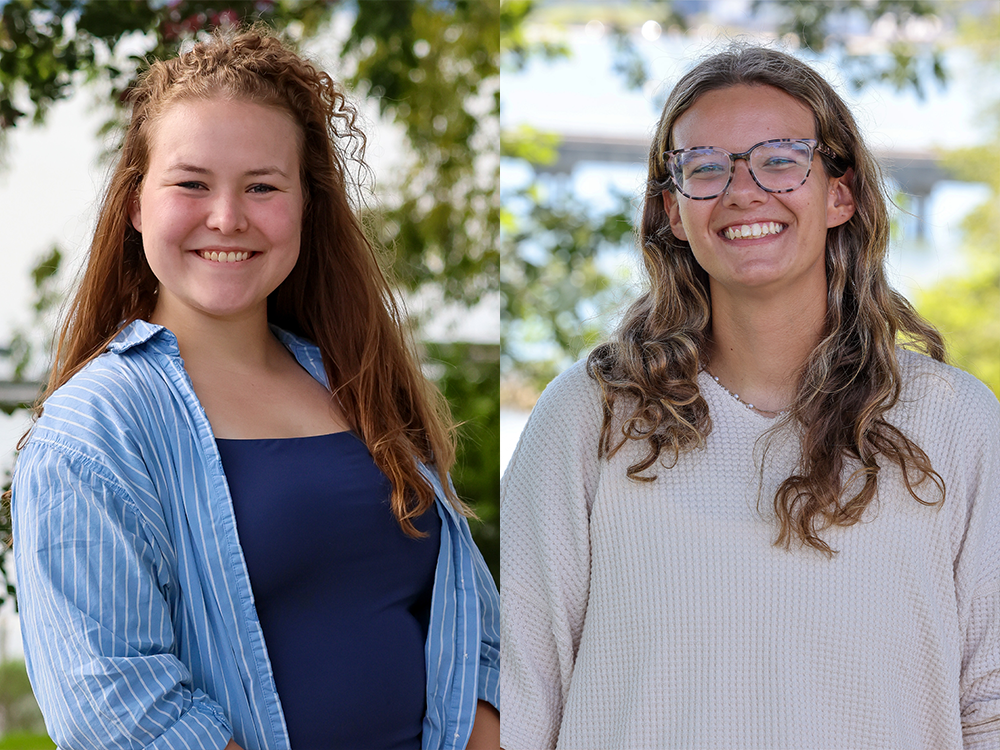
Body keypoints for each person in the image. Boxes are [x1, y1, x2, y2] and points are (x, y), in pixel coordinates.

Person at [11, 27, 500, 750]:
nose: (227, 217)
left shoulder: (359, 382)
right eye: (191, 183)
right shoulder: (92, 432)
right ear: (136, 203)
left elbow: (470, 632)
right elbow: (116, 706)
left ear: (306, 204)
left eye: (263, 186)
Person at [500, 44, 999, 749]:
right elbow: (521, 698)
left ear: (840, 193)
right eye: (704, 167)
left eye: (782, 158)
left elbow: (991, 705)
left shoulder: (958, 425)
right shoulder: (591, 416)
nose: (743, 191)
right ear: (674, 210)